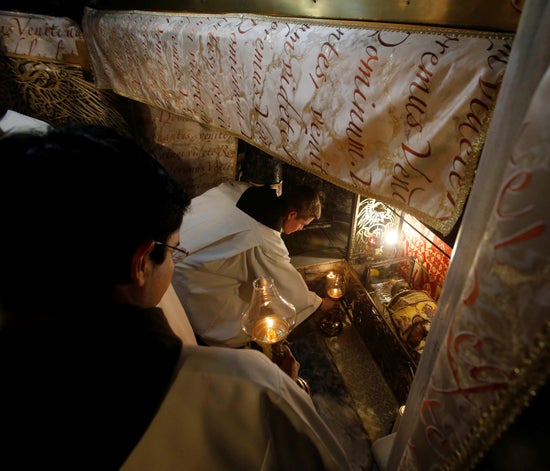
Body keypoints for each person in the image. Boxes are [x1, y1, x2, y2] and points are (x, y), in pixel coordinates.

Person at [0, 124, 350, 470]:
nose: (178, 259)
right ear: (140, 263)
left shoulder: (234, 190)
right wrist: (290, 389)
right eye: (173, 251)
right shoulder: (247, 387)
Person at [173, 179, 338, 347]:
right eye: (303, 224)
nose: (301, 229)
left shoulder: (242, 190)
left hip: (176, 242)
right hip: (188, 281)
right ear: (292, 214)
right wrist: (319, 303)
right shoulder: (264, 241)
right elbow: (290, 289)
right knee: (247, 318)